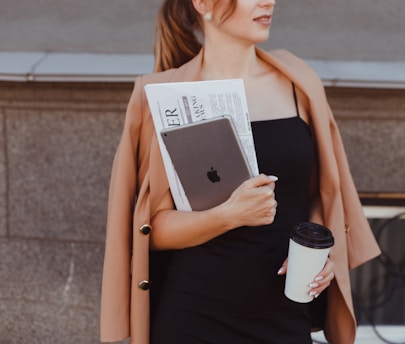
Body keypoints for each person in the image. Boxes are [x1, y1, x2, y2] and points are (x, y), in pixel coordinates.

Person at [100, 0, 381, 343]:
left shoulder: (300, 82)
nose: (269, 1)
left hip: (283, 316)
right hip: (195, 319)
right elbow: (150, 230)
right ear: (203, 3)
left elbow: (316, 198)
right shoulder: (164, 96)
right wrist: (229, 215)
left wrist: (323, 256)